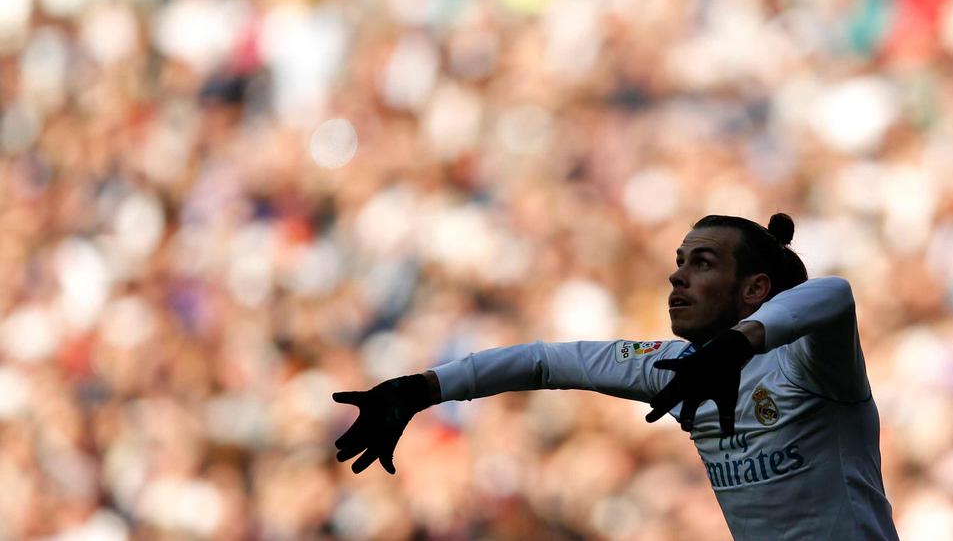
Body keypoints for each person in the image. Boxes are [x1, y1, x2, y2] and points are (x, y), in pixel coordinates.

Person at [332, 213, 899, 540]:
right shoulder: (671, 367)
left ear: (755, 289)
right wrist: (424, 389)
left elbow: (834, 294)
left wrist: (735, 346)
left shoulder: (808, 362)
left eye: (702, 263)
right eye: (679, 261)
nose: (677, 277)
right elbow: (545, 362)